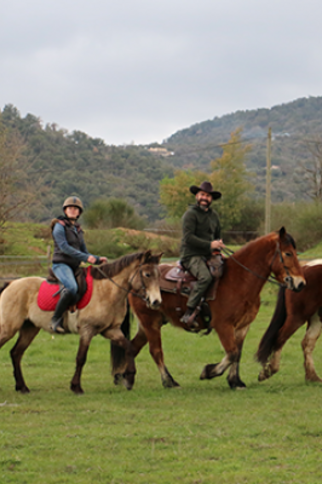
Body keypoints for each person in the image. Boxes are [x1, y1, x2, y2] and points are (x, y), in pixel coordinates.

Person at [50, 196, 107, 334]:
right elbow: (64, 247)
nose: (72, 210)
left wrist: (98, 259)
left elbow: (84, 251)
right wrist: (87, 257)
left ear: (79, 212)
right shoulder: (59, 226)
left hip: (75, 266)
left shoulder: (78, 230)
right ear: (65, 210)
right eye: (70, 208)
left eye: (75, 209)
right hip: (61, 264)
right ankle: (55, 320)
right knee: (71, 287)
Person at [180, 181, 225, 325]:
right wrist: (210, 245)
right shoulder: (190, 214)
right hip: (191, 255)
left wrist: (218, 248)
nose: (204, 198)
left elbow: (217, 236)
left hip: (209, 255)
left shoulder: (214, 216)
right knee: (205, 277)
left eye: (207, 196)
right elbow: (188, 238)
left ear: (211, 199)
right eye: (202, 195)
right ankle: (189, 311)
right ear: (197, 196)